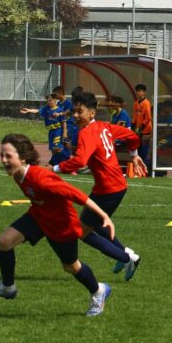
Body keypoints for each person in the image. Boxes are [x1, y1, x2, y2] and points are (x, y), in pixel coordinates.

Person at [0, 134, 112, 317]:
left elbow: (76, 194)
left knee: (71, 266)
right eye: (2, 155)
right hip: (39, 216)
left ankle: (98, 291)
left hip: (61, 224)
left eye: (8, 156)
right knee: (5, 241)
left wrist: (104, 215)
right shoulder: (18, 174)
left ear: (23, 157)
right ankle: (7, 287)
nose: (3, 160)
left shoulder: (41, 178)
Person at [52, 91, 148, 281]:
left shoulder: (87, 133)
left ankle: (127, 257)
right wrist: (134, 154)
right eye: (74, 112)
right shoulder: (105, 127)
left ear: (92, 113)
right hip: (110, 187)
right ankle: (127, 254)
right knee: (97, 224)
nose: (76, 116)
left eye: (80, 112)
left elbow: (79, 161)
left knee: (83, 231)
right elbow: (132, 136)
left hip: (110, 189)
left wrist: (54, 168)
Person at [20, 94, 70, 166]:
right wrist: (28, 110)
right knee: (53, 149)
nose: (48, 101)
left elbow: (64, 122)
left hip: (58, 131)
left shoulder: (60, 110)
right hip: (51, 131)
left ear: (55, 100)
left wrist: (65, 133)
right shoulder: (46, 109)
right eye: (47, 100)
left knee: (57, 147)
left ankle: (69, 159)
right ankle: (55, 164)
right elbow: (37, 110)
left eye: (50, 100)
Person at [53, 85, 79, 155]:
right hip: (60, 125)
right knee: (60, 141)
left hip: (69, 124)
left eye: (55, 94)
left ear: (60, 92)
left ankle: (69, 156)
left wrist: (59, 114)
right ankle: (63, 157)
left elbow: (67, 113)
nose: (54, 96)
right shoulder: (58, 103)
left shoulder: (68, 102)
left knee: (66, 141)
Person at [132, 84, 152, 166]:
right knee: (138, 148)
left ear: (144, 92)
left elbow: (148, 117)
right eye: (137, 91)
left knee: (144, 149)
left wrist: (141, 127)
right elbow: (134, 116)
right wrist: (133, 125)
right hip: (138, 130)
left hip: (145, 130)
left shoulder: (146, 103)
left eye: (140, 91)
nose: (138, 93)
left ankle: (146, 166)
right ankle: (140, 166)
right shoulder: (136, 103)